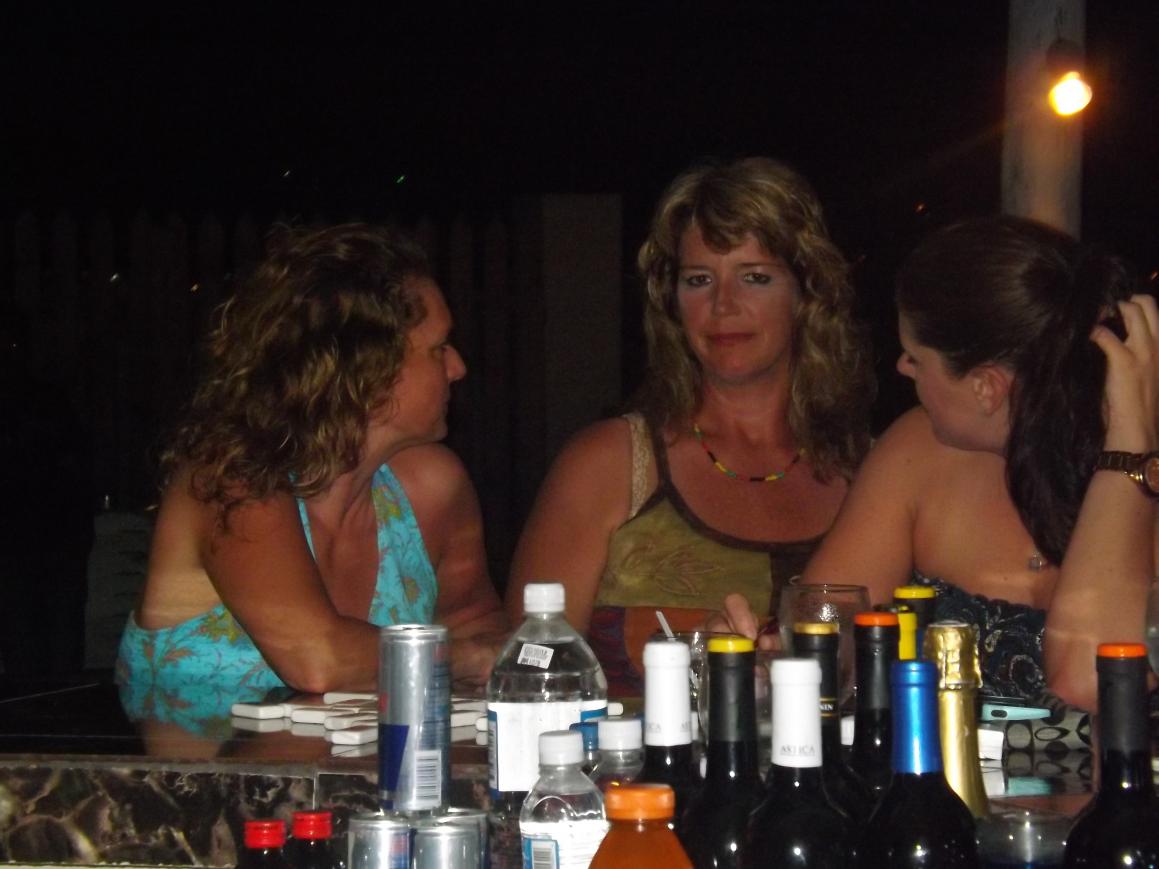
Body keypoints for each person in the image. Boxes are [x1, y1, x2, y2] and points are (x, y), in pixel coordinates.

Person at [720, 216, 1157, 713]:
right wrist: (770, 658)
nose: (902, 368)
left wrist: (1130, 452)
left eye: (916, 357)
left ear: (986, 387)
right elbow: (830, 627)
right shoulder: (918, 450)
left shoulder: (1146, 472)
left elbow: (1091, 684)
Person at [506, 157, 874, 694]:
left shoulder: (870, 468)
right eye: (699, 280)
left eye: (754, 277)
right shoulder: (611, 462)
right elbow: (525, 662)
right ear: (671, 303)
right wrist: (687, 656)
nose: (723, 305)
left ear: (807, 294)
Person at [115, 223, 507, 696]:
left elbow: (478, 626)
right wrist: (464, 660)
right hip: (183, 750)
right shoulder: (233, 478)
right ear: (368, 368)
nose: (458, 368)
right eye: (438, 349)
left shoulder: (432, 486)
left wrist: (483, 659)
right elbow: (318, 659)